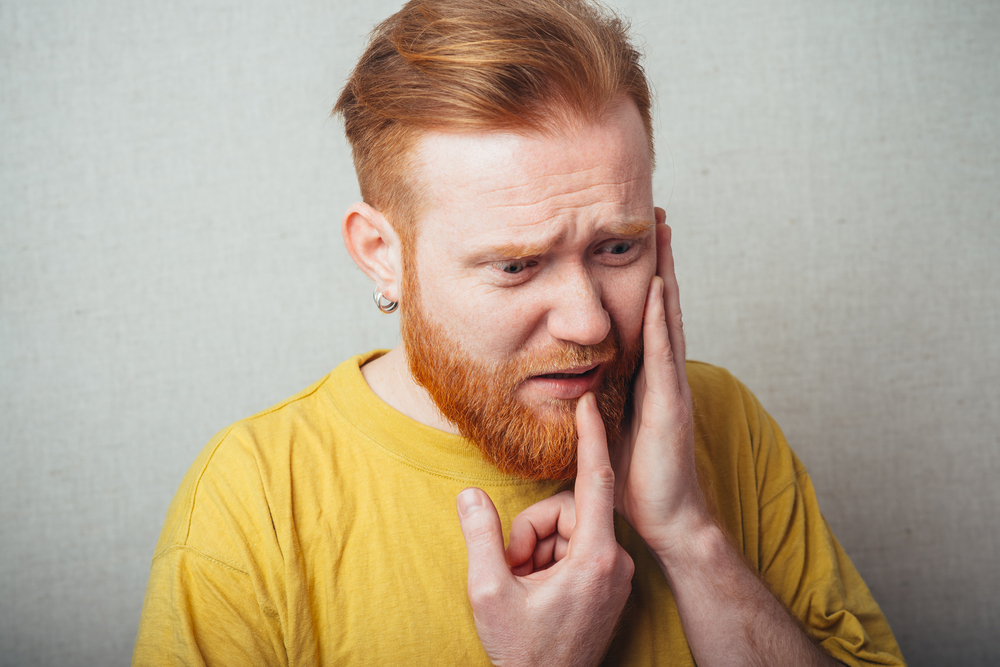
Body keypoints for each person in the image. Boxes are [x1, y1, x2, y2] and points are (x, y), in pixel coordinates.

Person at [133, 0, 906, 665]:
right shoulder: (257, 500)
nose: (590, 320)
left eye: (617, 247)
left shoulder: (724, 419)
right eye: (514, 265)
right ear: (382, 255)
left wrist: (691, 538)